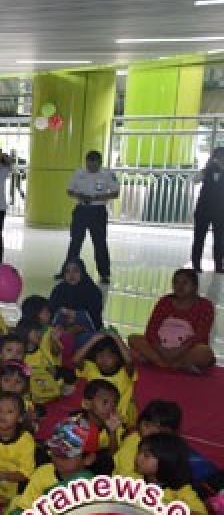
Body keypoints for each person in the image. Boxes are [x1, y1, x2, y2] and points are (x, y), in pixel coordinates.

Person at [127, 268, 216, 373]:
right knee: (132, 338)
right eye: (176, 282)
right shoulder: (165, 301)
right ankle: (178, 365)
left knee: (205, 353)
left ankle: (160, 363)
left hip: (187, 350)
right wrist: (162, 350)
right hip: (161, 348)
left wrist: (178, 351)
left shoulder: (205, 306)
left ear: (195, 286)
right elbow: (151, 330)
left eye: (185, 283)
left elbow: (200, 335)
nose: (180, 286)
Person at [61, 149, 118, 285]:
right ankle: (66, 271)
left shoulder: (107, 174)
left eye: (94, 164)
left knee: (100, 243)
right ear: (86, 162)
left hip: (98, 211)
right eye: (89, 164)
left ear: (100, 162)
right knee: (75, 242)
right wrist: (80, 196)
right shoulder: (79, 173)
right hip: (81, 210)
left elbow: (115, 193)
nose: (91, 167)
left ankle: (104, 274)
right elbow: (69, 190)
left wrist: (99, 197)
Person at [192, 146, 224, 273]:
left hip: (220, 212)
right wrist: (205, 169)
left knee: (220, 239)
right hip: (203, 211)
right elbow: (195, 180)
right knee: (199, 237)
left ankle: (218, 265)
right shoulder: (206, 171)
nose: (220, 159)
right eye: (218, 157)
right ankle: (196, 264)